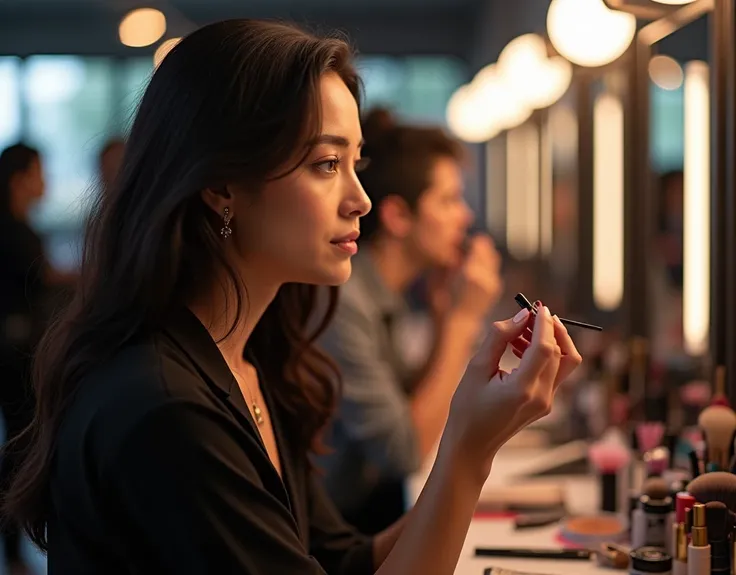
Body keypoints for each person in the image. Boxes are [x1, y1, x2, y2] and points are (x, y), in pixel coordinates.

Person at [2, 20, 581, 574]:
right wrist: (469, 448)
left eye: (356, 164)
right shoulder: (168, 411)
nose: (361, 200)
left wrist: (471, 439)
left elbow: (341, 562)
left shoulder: (248, 362)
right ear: (222, 185)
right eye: (326, 164)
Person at [317, 110, 502, 534]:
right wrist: (463, 320)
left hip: (366, 513)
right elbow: (405, 450)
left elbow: (406, 404)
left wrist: (443, 321)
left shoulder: (380, 291)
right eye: (449, 200)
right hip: (338, 535)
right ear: (398, 216)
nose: (465, 217)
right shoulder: (342, 301)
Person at [0, 143, 48, 575]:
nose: (44, 182)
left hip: (9, 353)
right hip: (16, 355)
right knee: (19, 444)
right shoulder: (18, 234)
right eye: (38, 173)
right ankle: (15, 550)